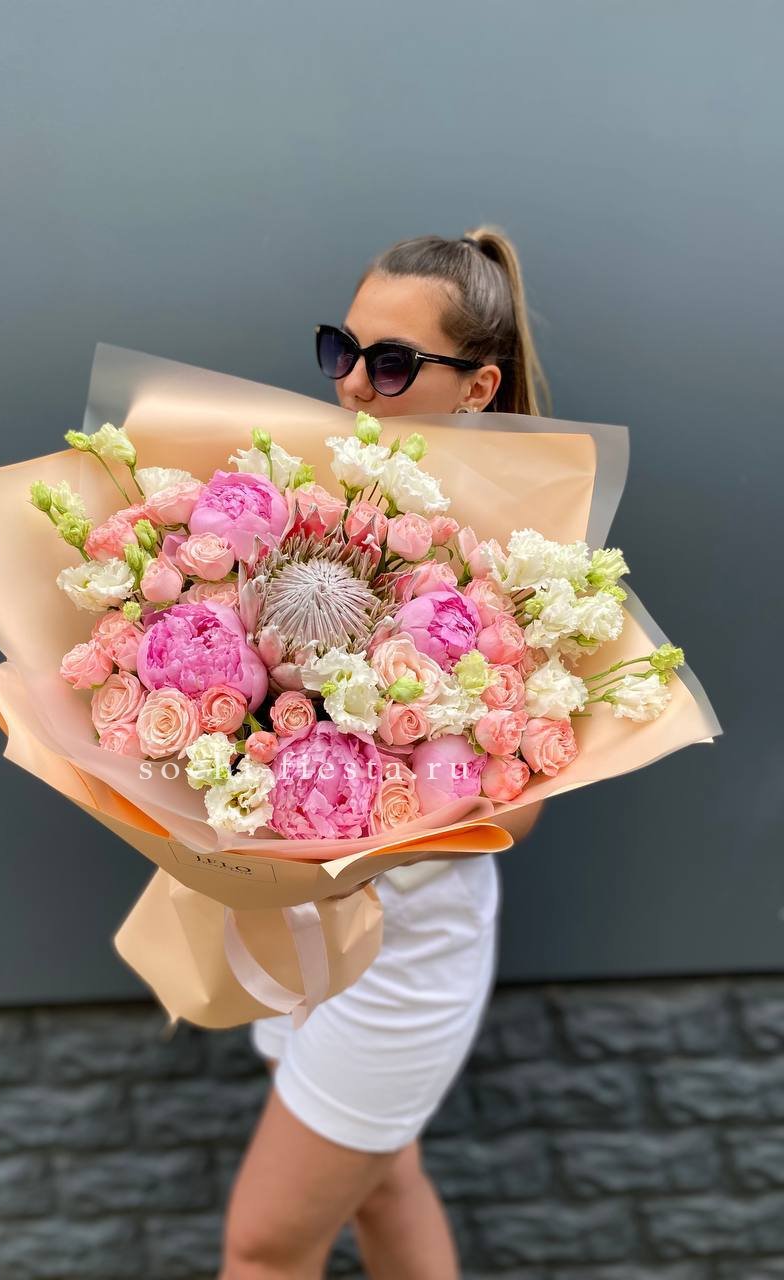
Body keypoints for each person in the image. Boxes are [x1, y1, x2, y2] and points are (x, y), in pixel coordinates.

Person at [220, 225, 552, 1280]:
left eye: (395, 362)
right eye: (343, 349)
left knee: (264, 1245)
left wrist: (357, 832)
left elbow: (522, 809)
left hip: (402, 955)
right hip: (294, 929)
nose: (356, 383)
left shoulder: (525, 551)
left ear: (479, 386)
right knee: (386, 1182)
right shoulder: (317, 502)